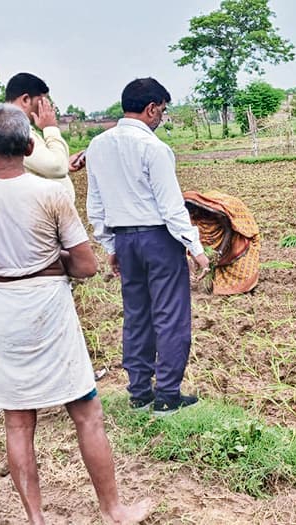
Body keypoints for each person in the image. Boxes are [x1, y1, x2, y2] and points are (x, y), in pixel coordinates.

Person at [0, 104, 151, 524]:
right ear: (27, 145)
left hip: (1, 311)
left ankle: (37, 520)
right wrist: (49, 262)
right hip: (49, 309)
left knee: (19, 423)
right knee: (87, 413)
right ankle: (114, 510)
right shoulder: (51, 194)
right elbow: (87, 265)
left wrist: (3, 266)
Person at [86, 78, 209, 415]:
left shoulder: (97, 145)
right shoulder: (154, 148)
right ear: (152, 107)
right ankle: (168, 395)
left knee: (137, 315)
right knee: (170, 316)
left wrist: (110, 243)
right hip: (159, 239)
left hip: (124, 239)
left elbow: (95, 204)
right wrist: (196, 248)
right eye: (163, 111)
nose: (161, 118)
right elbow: (171, 207)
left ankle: (140, 393)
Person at [5, 72, 75, 201]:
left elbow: (42, 164)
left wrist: (66, 162)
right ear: (26, 99)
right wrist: (50, 127)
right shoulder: (13, 130)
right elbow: (57, 167)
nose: (46, 107)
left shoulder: (11, 127)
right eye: (42, 101)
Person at [184, 190, 261, 295]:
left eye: (193, 212)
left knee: (239, 265)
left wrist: (219, 252)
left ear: (199, 208)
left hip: (231, 231)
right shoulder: (189, 215)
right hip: (207, 240)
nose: (192, 215)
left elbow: (228, 230)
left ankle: (242, 286)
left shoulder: (215, 211)